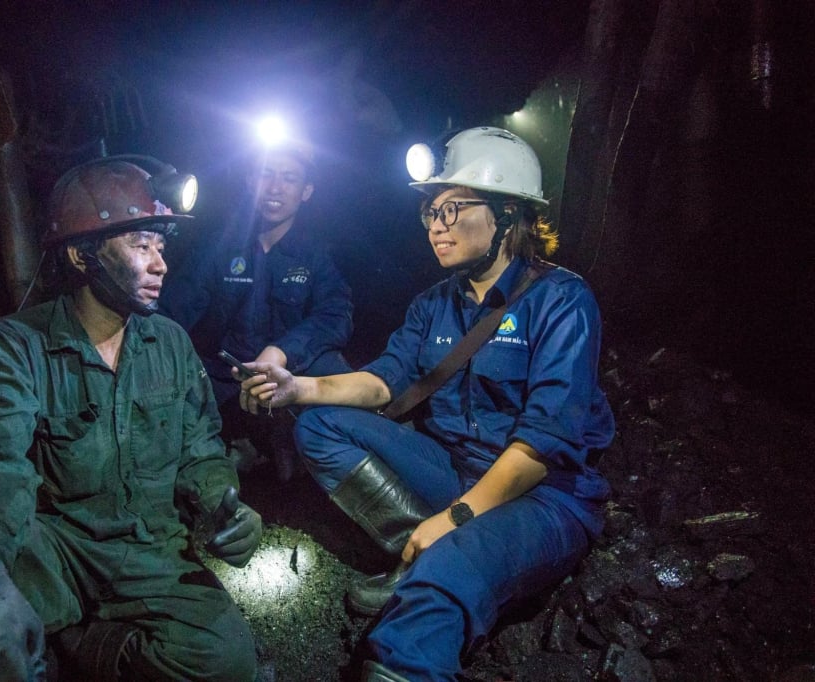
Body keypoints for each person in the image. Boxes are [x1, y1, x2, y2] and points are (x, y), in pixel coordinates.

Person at [238, 127, 615, 681]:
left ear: (508, 214)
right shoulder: (433, 304)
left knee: (449, 568)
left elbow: (543, 444)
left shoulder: (562, 301)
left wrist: (456, 519)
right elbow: (384, 382)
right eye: (429, 213)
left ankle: (432, 584)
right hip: (453, 469)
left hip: (542, 495)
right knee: (317, 425)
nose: (435, 227)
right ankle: (421, 549)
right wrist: (299, 388)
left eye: (452, 209)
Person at [0, 155, 263, 682]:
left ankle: (81, 643)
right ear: (83, 257)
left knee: (227, 661)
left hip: (149, 547)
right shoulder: (17, 346)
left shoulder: (170, 343)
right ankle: (46, 637)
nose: (160, 264)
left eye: (161, 245)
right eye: (140, 245)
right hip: (59, 546)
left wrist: (225, 505)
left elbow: (200, 447)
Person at [160, 135, 353, 482]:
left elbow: (336, 314)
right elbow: (174, 310)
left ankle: (305, 459)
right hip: (222, 382)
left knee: (333, 366)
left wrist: (281, 352)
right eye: (266, 174)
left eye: (289, 178)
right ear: (251, 182)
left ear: (307, 190)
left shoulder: (314, 255)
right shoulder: (220, 246)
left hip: (284, 382)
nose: (274, 188)